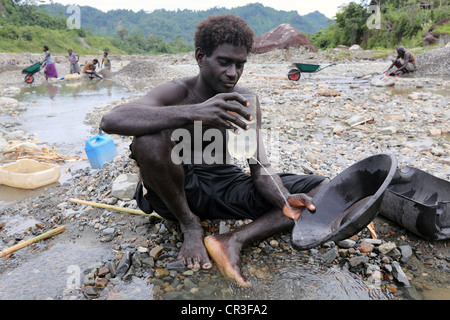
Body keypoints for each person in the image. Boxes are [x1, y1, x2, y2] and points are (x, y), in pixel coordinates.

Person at [100, 14, 329, 287]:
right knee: (147, 139)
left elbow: (260, 168)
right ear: (200, 57)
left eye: (240, 64)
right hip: (174, 193)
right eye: (224, 62)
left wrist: (283, 197)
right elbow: (112, 120)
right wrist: (195, 112)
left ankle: (233, 239)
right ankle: (191, 225)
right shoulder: (177, 92)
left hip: (223, 185)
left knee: (320, 188)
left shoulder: (244, 101)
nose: (232, 73)